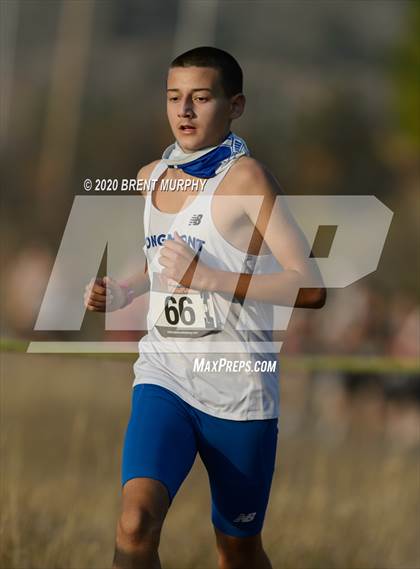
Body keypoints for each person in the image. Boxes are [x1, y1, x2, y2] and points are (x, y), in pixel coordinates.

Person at [85, 46, 326, 569]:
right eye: (174, 98)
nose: (185, 112)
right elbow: (163, 263)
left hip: (238, 389)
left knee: (237, 551)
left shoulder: (247, 180)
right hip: (165, 374)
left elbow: (310, 287)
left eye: (201, 98)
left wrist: (209, 278)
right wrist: (123, 291)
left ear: (235, 105)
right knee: (134, 524)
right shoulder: (150, 177)